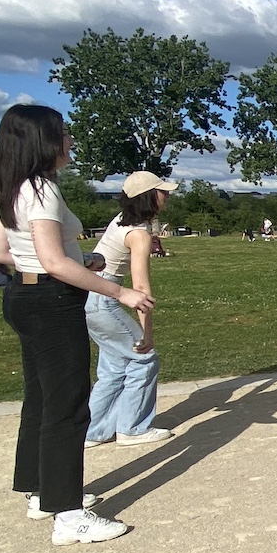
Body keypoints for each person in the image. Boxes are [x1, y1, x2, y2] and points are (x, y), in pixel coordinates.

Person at [0, 104, 154, 545]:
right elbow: (52, 261)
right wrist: (119, 291)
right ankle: (69, 514)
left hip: (22, 297)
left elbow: (0, 253)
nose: (70, 141)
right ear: (42, 141)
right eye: (62, 133)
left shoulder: (11, 187)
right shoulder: (41, 189)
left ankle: (40, 492)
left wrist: (83, 260)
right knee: (67, 406)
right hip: (51, 303)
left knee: (40, 399)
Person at [84, 171, 178, 450]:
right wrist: (148, 335)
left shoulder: (121, 221)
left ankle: (94, 430)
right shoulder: (139, 234)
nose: (168, 196)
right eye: (163, 192)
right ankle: (133, 428)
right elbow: (141, 290)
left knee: (114, 367)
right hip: (106, 297)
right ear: (150, 196)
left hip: (92, 296)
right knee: (144, 359)